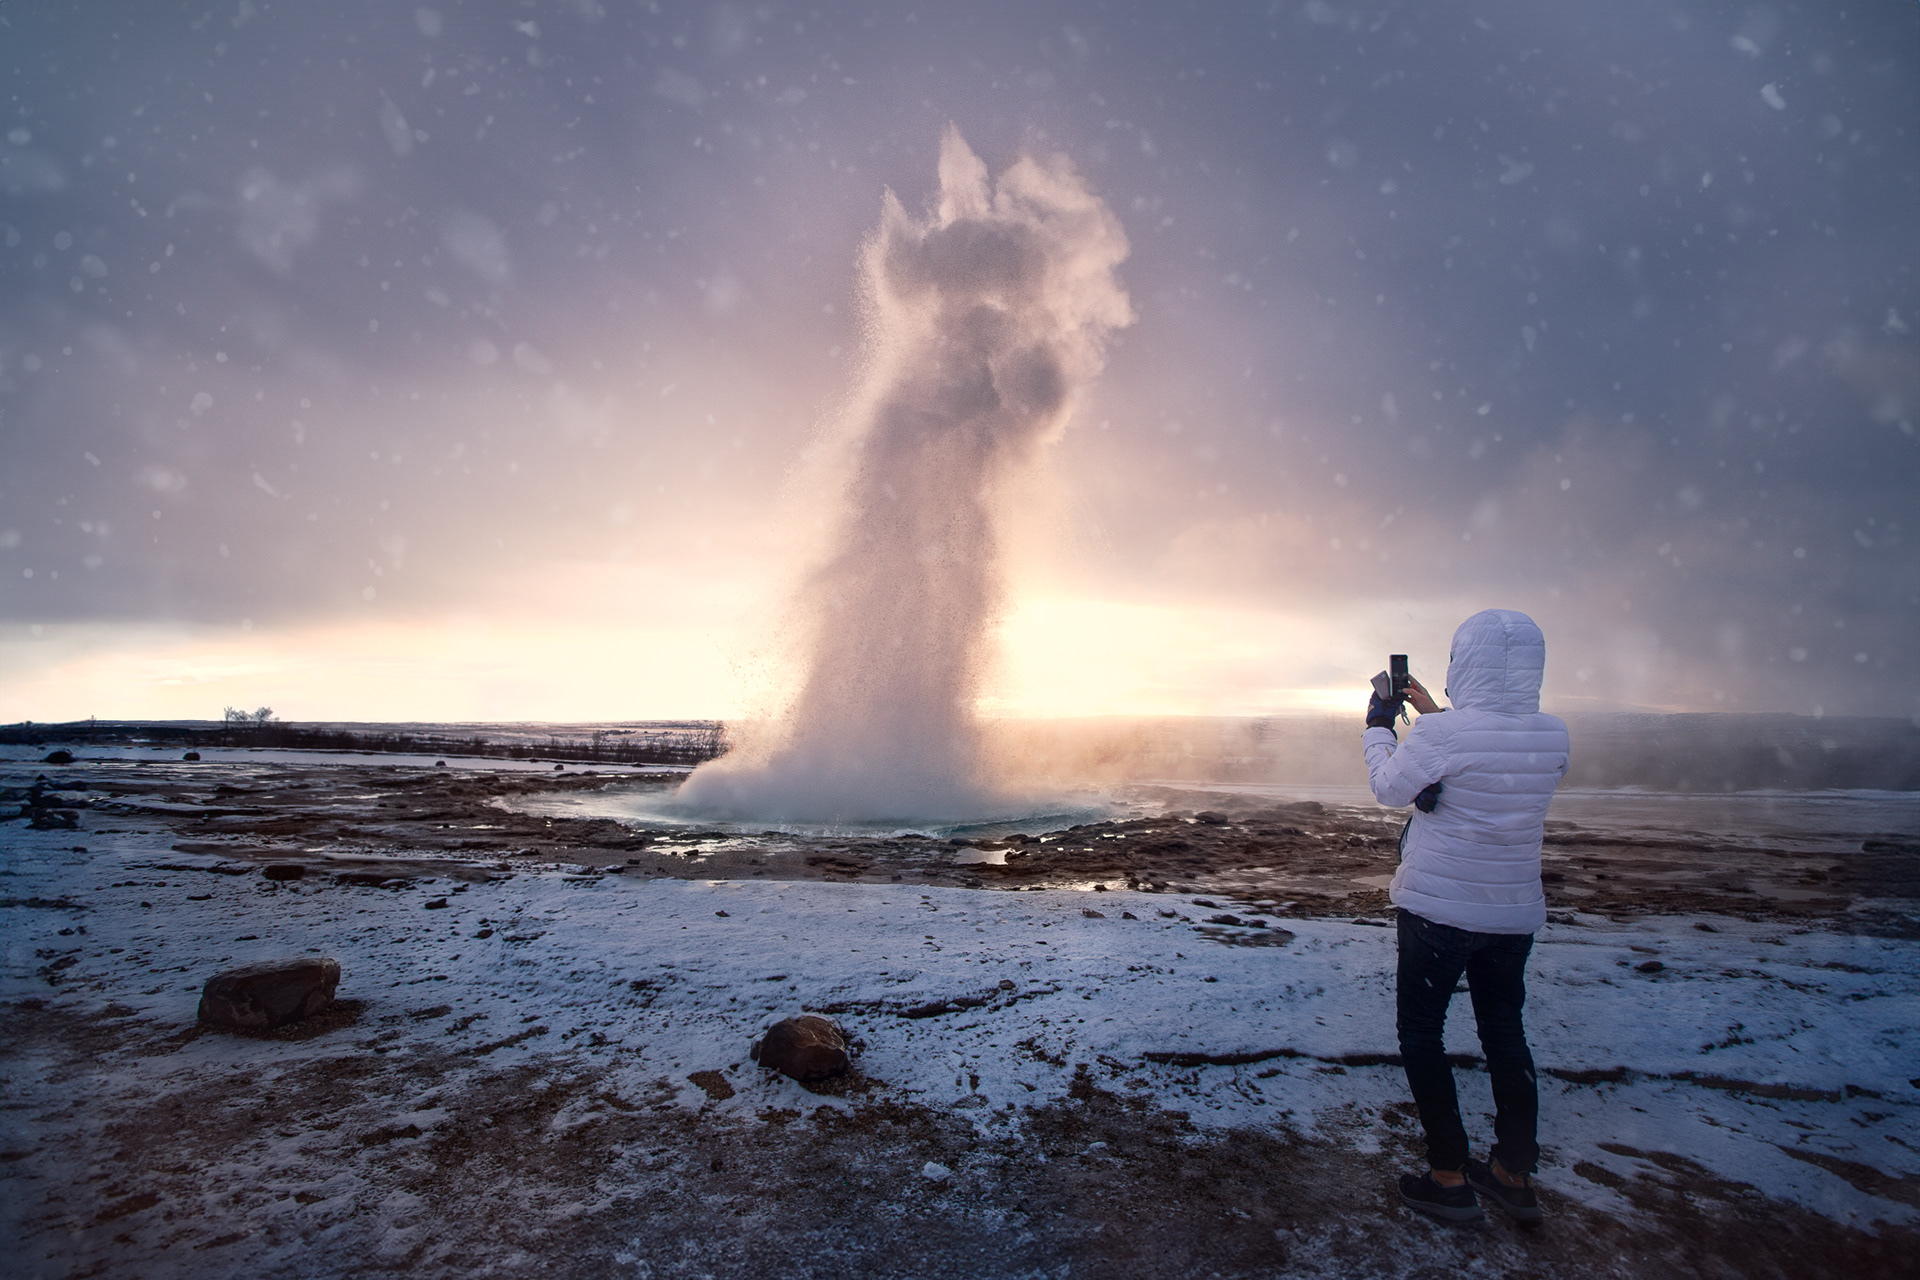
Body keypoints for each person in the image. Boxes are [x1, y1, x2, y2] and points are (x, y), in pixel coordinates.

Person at [1362, 608, 1570, 1226]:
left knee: (1422, 1034)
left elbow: (1389, 789)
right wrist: (1432, 716)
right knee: (1505, 1034)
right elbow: (1490, 756)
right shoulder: (1553, 736)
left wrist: (1379, 726)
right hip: (1511, 916)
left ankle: (1449, 1176)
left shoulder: (1443, 737)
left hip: (1438, 914)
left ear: (1465, 663)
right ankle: (1513, 1173)